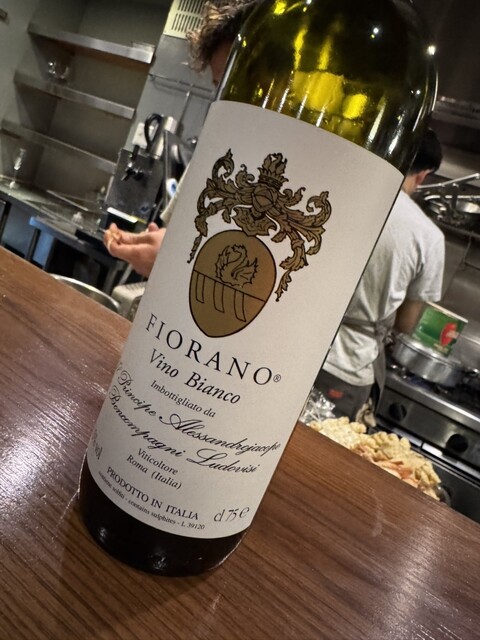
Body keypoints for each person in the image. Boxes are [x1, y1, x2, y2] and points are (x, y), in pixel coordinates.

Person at [105, 0, 445, 423]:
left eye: (240, 80)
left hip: (303, 363)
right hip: (337, 365)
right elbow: (408, 323)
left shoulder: (341, 181)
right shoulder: (426, 236)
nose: (243, 97)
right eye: (225, 85)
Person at [104, 0, 255, 275]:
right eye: (219, 87)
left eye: (238, 86)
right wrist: (150, 246)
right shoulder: (211, 155)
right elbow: (177, 238)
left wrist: (171, 260)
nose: (224, 101)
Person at [314, 129, 445, 421]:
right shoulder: (429, 237)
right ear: (423, 175)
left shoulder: (336, 193)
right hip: (347, 365)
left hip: (295, 342)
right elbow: (406, 323)